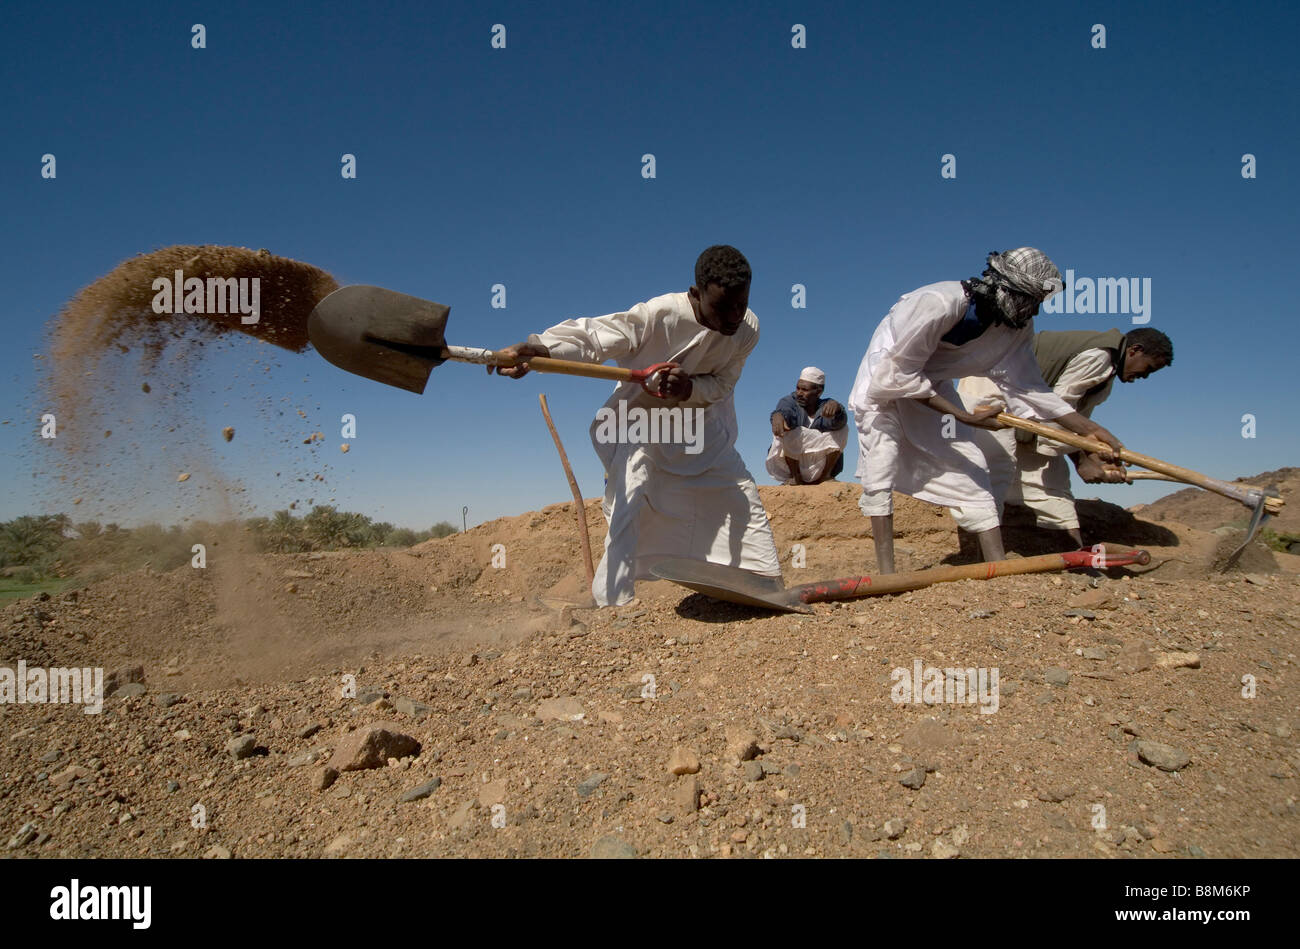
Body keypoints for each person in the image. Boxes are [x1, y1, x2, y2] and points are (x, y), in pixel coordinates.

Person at [489, 245, 782, 606]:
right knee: (631, 493)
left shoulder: (747, 330)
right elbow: (597, 335)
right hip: (642, 422)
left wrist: (690, 387)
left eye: (742, 303)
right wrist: (539, 351)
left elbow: (723, 384)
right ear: (696, 294)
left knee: (738, 490)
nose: (735, 315)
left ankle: (765, 582)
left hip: (702, 426)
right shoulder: (660, 315)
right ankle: (614, 602)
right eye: (722, 307)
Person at [847, 247, 1125, 574]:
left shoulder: (1016, 328)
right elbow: (896, 374)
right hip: (883, 379)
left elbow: (1030, 387)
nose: (1034, 310)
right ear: (1007, 287)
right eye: (1031, 300)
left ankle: (997, 567)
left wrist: (1088, 430)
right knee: (882, 460)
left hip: (930, 386)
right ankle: (886, 575)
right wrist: (962, 415)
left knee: (972, 464)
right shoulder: (939, 302)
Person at [957, 327, 1173, 548]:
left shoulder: (1106, 375)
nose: (1144, 377)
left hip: (1026, 408)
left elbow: (1072, 425)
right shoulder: (1099, 357)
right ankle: (987, 561)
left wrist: (1093, 459)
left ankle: (1078, 561)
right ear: (1135, 350)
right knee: (993, 475)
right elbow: (1058, 410)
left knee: (1053, 483)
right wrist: (1083, 459)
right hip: (992, 389)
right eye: (1148, 368)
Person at [766, 367, 848, 485]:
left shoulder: (828, 405)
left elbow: (838, 424)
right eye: (798, 388)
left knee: (843, 429)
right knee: (789, 430)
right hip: (794, 463)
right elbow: (785, 412)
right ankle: (795, 477)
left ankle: (826, 477)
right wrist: (778, 415)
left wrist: (839, 411)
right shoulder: (789, 401)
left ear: (819, 391)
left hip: (819, 463)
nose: (799, 393)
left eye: (804, 390)